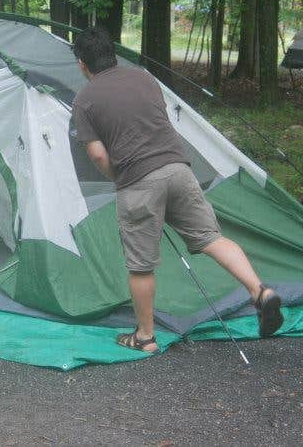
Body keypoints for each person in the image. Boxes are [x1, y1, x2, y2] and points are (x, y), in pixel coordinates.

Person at [71, 26, 283, 353]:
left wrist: (120, 175)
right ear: (113, 54)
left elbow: (98, 153)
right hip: (178, 169)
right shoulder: (144, 78)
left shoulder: (85, 99)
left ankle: (145, 336)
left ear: (82, 64)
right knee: (211, 238)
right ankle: (260, 292)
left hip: (138, 182)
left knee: (140, 265)